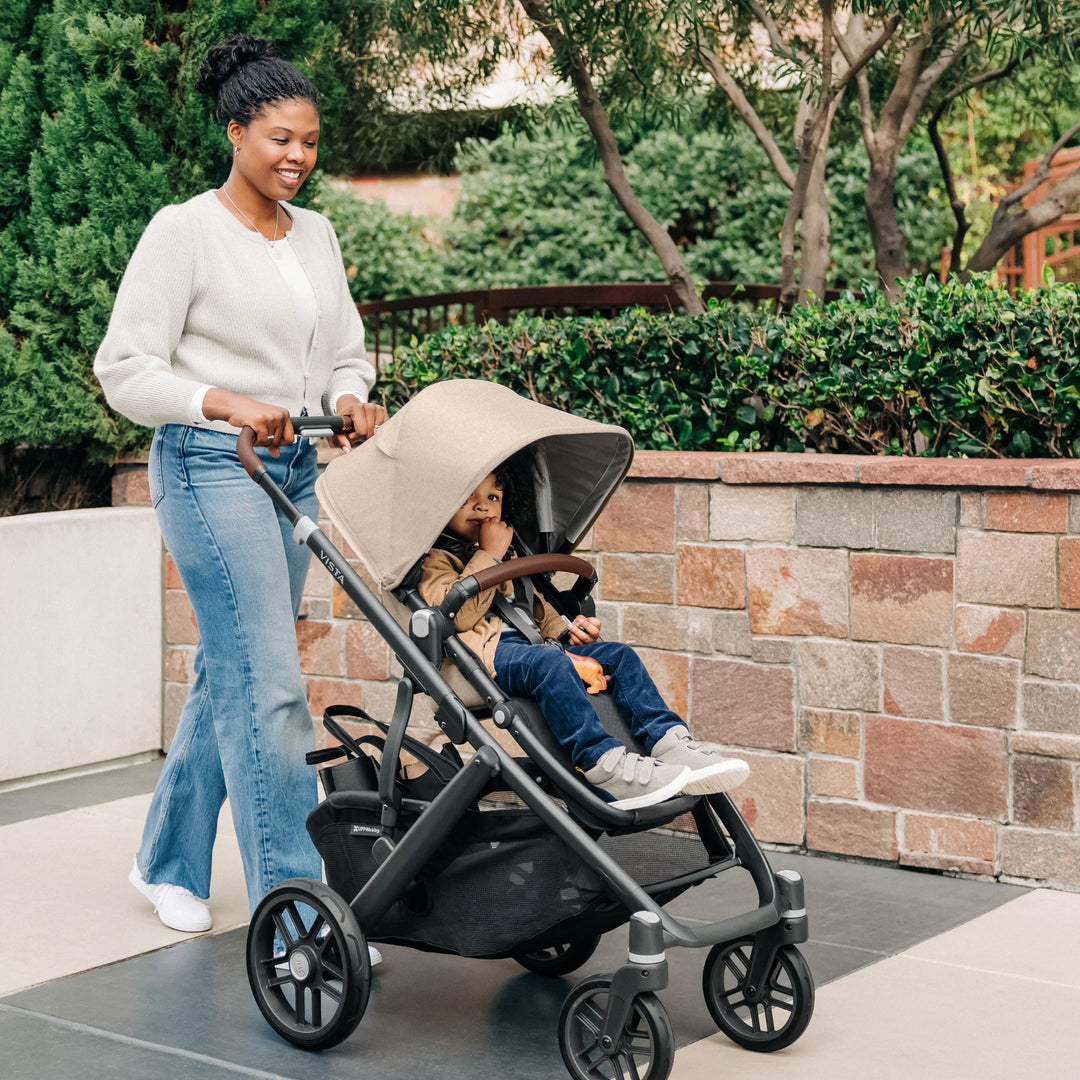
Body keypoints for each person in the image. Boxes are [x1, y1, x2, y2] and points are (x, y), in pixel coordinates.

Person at [94, 34, 387, 961]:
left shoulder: (318, 236)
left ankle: (168, 862)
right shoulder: (183, 231)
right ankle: (300, 919)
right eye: (278, 139)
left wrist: (348, 396)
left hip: (292, 467)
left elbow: (345, 346)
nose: (297, 157)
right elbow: (123, 370)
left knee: (235, 671)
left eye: (309, 141)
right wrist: (220, 399)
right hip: (207, 462)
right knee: (269, 687)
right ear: (235, 134)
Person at [418, 462, 750, 811]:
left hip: (533, 646)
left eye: (492, 496)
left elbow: (533, 606)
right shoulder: (434, 561)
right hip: (484, 655)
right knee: (548, 662)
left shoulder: (506, 554)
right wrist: (490, 555)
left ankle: (668, 741)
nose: (483, 507)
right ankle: (602, 764)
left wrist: (566, 631)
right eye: (467, 499)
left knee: (619, 656)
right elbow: (458, 614)